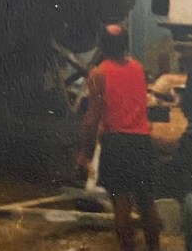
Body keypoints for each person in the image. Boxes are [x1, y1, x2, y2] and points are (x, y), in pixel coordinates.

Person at [77, 24, 161, 251]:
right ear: (126, 44)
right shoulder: (139, 69)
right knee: (146, 202)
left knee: (121, 204)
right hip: (142, 141)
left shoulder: (99, 74)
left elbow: (91, 119)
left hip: (116, 142)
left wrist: (85, 152)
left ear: (102, 45)